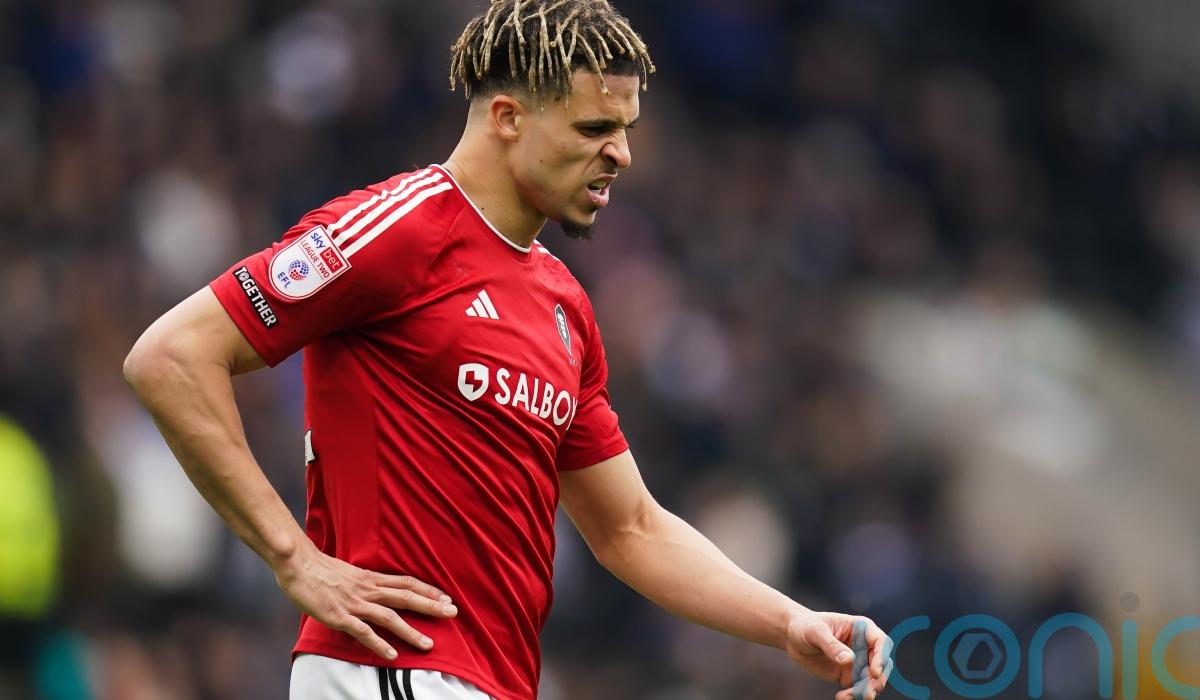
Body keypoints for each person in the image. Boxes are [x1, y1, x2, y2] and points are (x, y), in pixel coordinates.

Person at [123, 1, 894, 698]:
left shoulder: (562, 304)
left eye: (625, 129)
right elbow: (171, 356)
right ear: (507, 117)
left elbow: (630, 529)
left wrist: (788, 622)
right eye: (594, 129)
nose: (621, 154)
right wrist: (295, 558)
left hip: (496, 683)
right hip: (389, 669)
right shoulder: (399, 231)